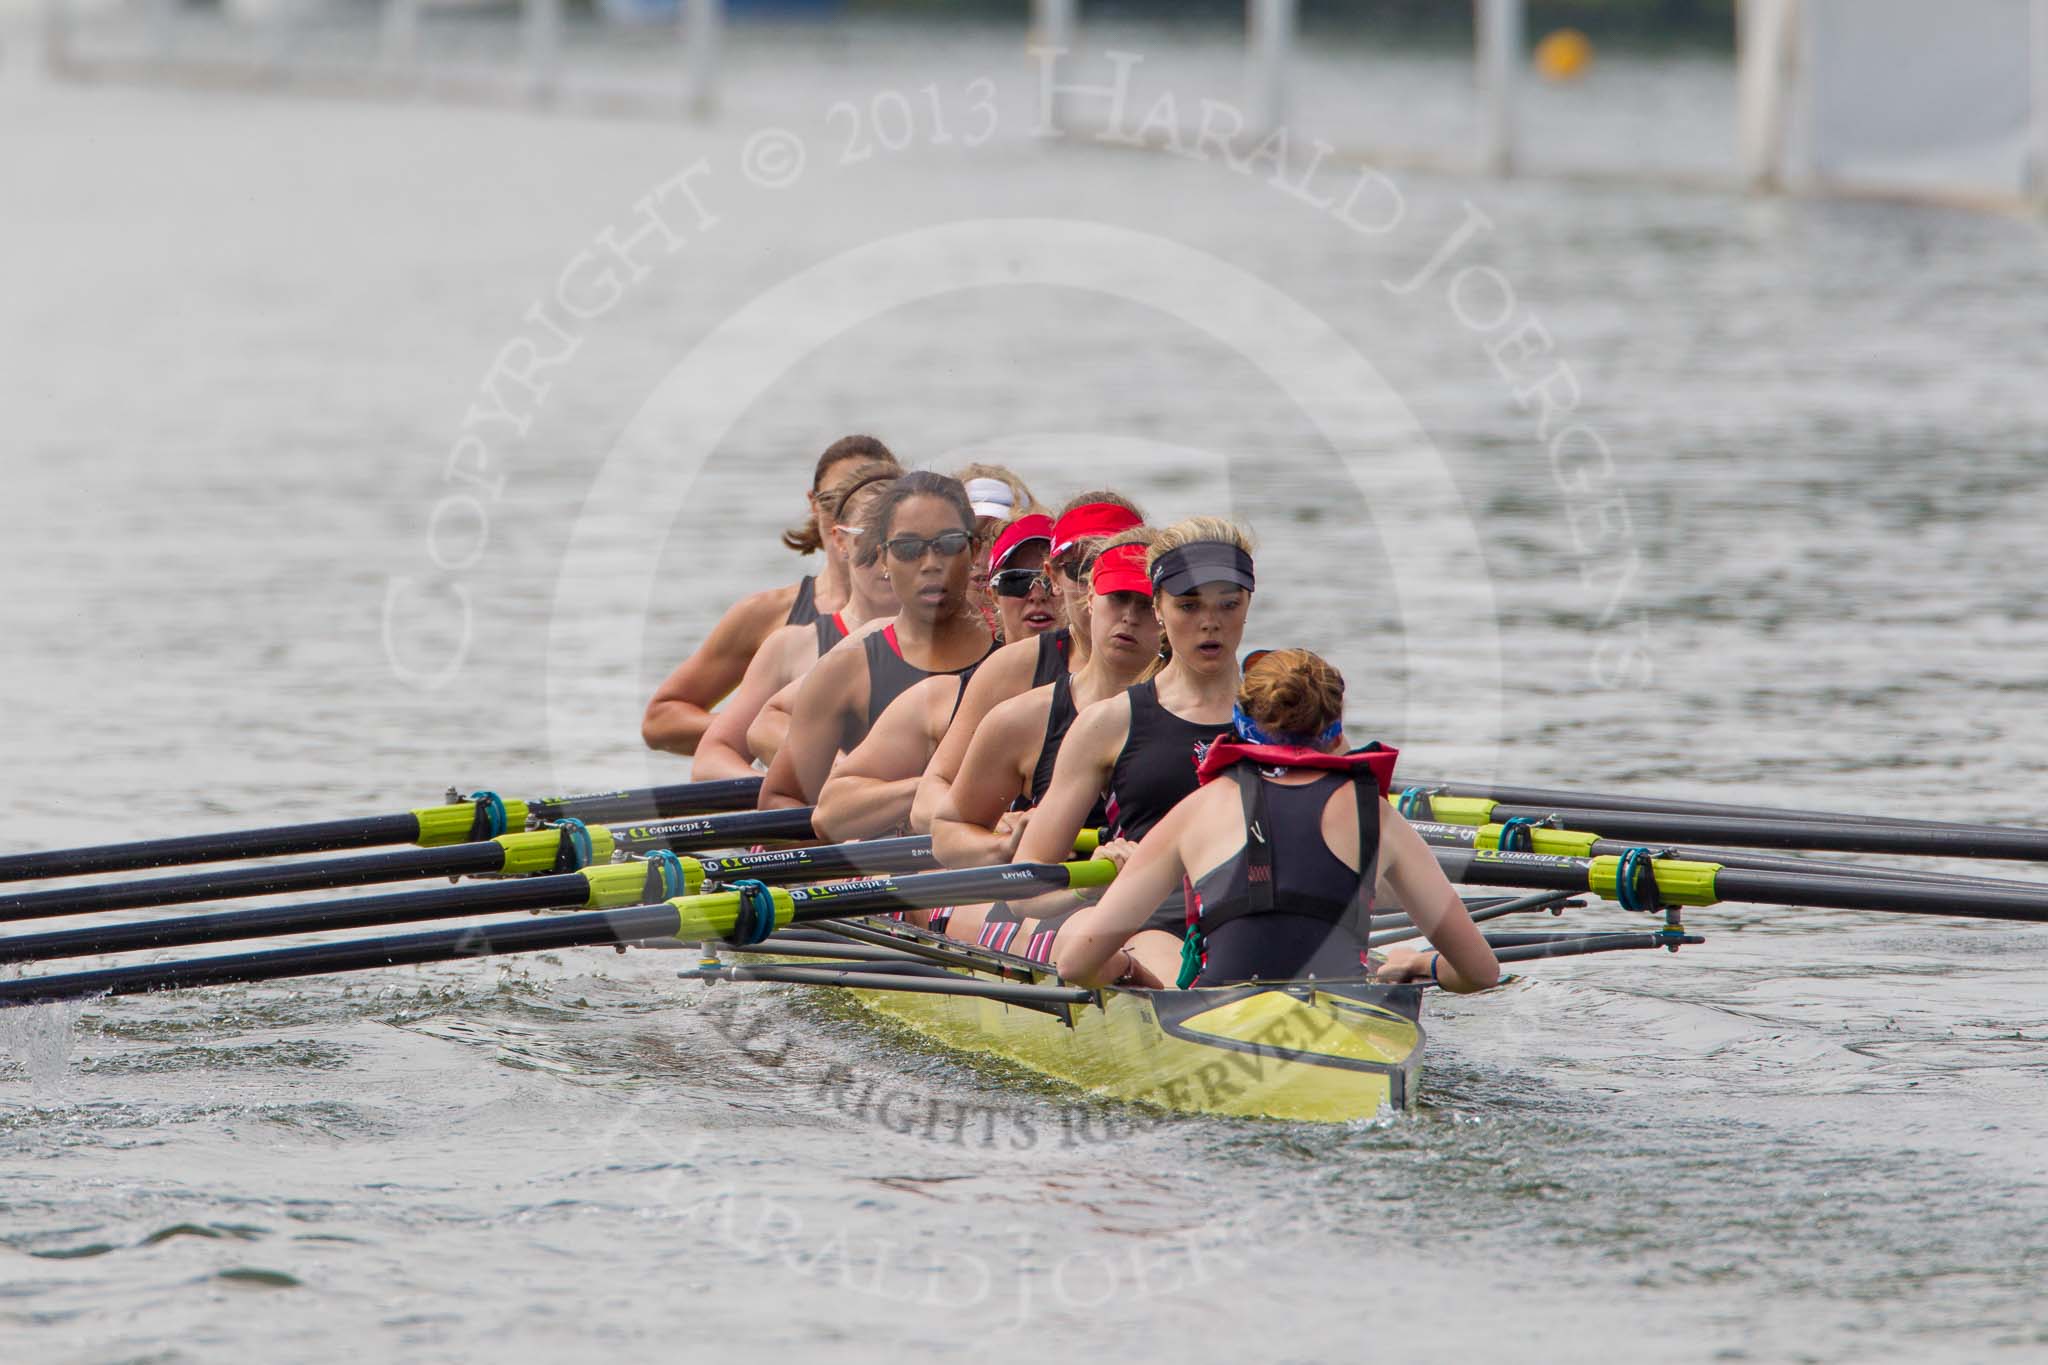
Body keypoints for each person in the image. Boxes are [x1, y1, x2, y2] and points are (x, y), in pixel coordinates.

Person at [1052, 649, 1501, 994]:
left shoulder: (1199, 809)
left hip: (1216, 1023)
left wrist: (1133, 973)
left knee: (1126, 943)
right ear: (1337, 731)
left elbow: (1076, 965)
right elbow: (1481, 972)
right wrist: (1421, 964)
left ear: (1239, 725)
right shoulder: (1376, 815)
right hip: (1343, 1026)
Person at [1007, 516, 1257, 976]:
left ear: (1247, 605)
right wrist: (1091, 883)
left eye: (1228, 605)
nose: (1210, 623)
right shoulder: (1109, 723)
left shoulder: (1280, 714)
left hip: (1256, 923)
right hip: (1149, 929)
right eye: (1189, 606)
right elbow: (1026, 889)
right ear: (1158, 609)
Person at [931, 535, 1165, 948]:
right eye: (1117, 599)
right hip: (1050, 909)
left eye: (1145, 604)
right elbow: (947, 833)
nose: (1129, 617)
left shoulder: (1204, 718)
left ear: (1167, 613)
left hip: (1168, 910)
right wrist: (1005, 845)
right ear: (1091, 598)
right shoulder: (1022, 717)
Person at [814, 512, 1065, 841]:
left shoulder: (1115, 696)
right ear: (992, 595)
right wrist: (947, 788)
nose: (1036, 594)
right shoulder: (941, 697)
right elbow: (830, 814)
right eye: (1016, 581)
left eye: (1048, 581)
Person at [641, 435, 897, 756]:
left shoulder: (930, 614)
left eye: (874, 507)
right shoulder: (767, 617)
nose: (855, 515)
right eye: (836, 501)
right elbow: (661, 718)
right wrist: (764, 728)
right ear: (814, 505)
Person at [757, 472, 995, 810]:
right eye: (908, 548)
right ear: (883, 558)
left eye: (948, 544)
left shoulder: (1018, 651)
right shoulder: (846, 670)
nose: (930, 564)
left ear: (973, 550)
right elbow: (781, 799)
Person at [911, 493, 1145, 834]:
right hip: (1038, 870)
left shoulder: (1187, 666)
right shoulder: (1012, 669)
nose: (1100, 587)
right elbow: (929, 799)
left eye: (1117, 571)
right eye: (1082, 570)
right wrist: (995, 828)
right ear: (1053, 576)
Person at [689, 461, 902, 779]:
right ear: (841, 540)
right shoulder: (791, 647)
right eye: (870, 538)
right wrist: (779, 787)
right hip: (813, 817)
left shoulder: (956, 638)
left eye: (904, 543)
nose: (886, 558)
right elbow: (711, 760)